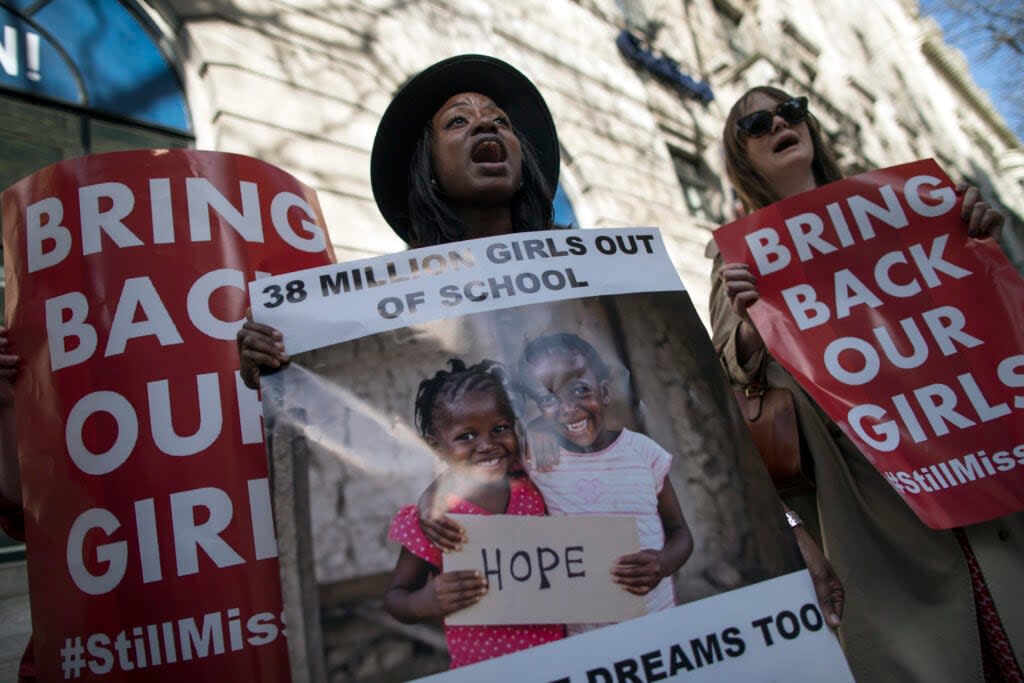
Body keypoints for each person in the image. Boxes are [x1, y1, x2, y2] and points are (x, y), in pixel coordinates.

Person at [710, 85, 1024, 682]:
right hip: (868, 487)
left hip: (969, 449)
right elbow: (733, 368)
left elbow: (977, 318)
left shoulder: (909, 203)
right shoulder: (738, 253)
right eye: (756, 121)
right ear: (741, 155)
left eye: (791, 109)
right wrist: (750, 324)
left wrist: (982, 240)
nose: (779, 122)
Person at [384, 359, 565, 667]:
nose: (487, 445)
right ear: (437, 447)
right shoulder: (435, 520)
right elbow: (395, 599)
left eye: (500, 428)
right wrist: (423, 602)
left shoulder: (532, 480)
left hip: (562, 659)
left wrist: (541, 431)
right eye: (466, 436)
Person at [516, 333, 694, 633]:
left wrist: (662, 564)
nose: (568, 408)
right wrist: (532, 430)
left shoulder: (642, 453)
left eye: (579, 391)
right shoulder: (539, 460)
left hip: (657, 620)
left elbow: (680, 533)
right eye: (549, 398)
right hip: (585, 634)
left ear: (605, 392)